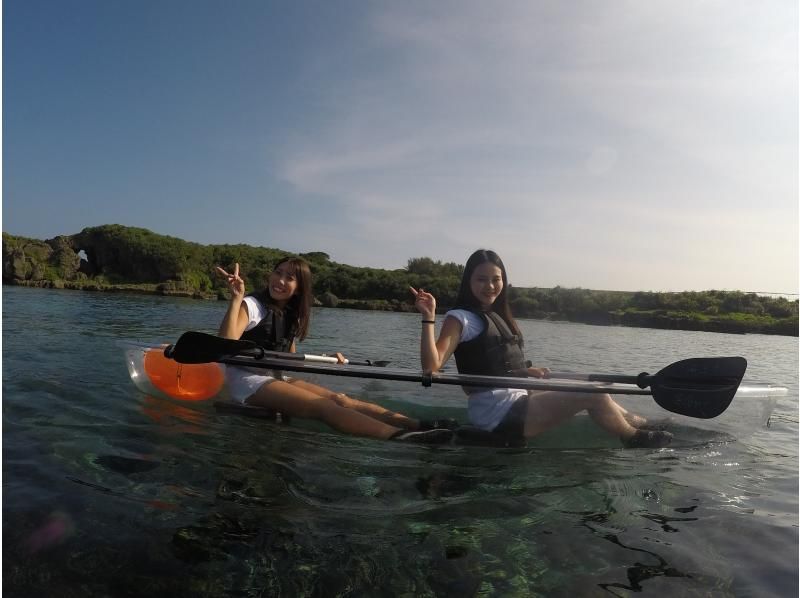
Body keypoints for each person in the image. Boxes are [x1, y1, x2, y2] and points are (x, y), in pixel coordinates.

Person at [410, 249, 672, 448]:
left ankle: (636, 421)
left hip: (515, 396)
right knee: (593, 393)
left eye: (496, 279)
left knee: (590, 380)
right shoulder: (461, 317)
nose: (490, 286)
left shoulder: (495, 314)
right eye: (481, 279)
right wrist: (429, 317)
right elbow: (431, 367)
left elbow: (496, 363)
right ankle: (633, 438)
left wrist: (526, 372)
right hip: (497, 414)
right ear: (468, 281)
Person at [216, 256, 454, 442]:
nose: (280, 281)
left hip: (274, 375)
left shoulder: (292, 315)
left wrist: (324, 358)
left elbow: (290, 360)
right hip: (244, 379)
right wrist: (237, 298)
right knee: (324, 407)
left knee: (340, 399)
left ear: (299, 288)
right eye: (278, 273)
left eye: (289, 277)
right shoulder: (252, 305)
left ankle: (417, 425)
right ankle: (399, 436)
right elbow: (225, 344)